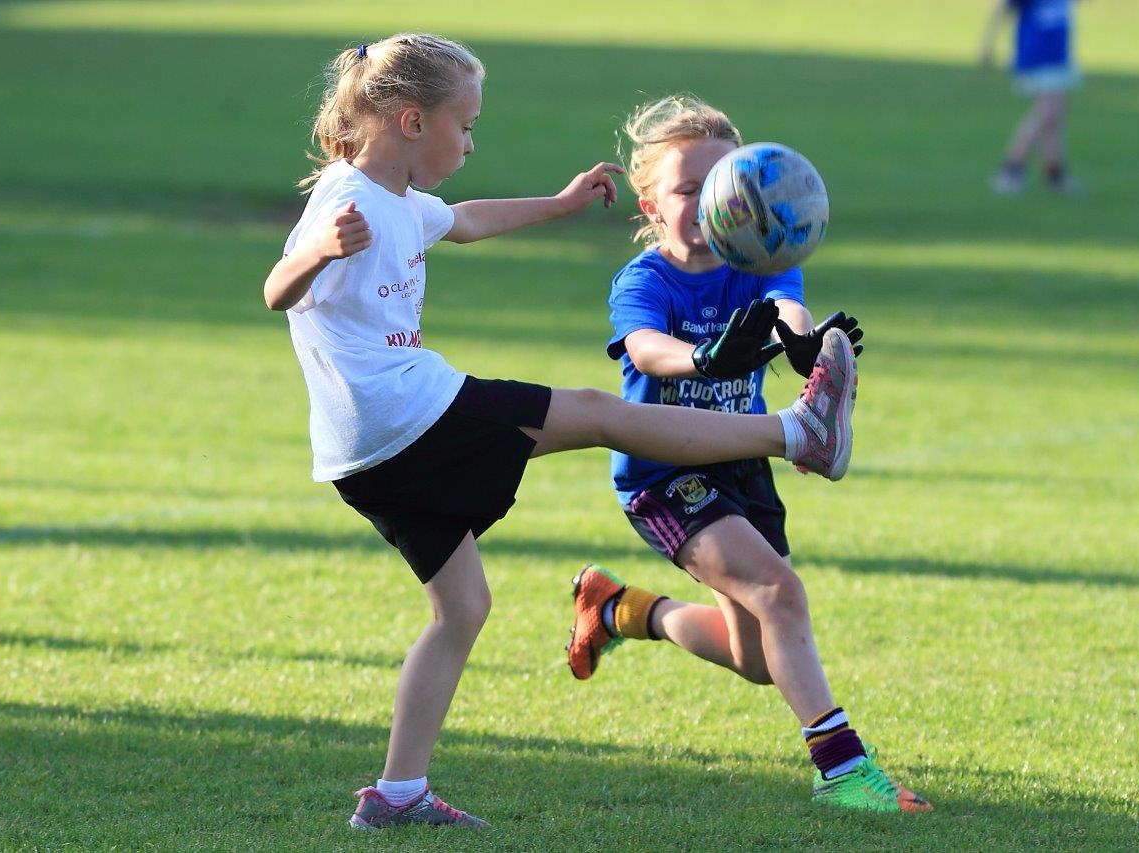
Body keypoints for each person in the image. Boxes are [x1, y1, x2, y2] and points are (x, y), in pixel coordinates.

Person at [264, 37, 857, 830]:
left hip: (363, 456)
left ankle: (396, 793)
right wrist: (318, 252)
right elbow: (277, 289)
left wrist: (561, 202)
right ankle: (796, 433)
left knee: (462, 608)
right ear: (411, 120)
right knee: (596, 410)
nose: (471, 142)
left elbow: (465, 222)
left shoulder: (398, 196)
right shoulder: (350, 200)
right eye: (464, 126)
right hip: (408, 412)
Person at [563, 94, 932, 814]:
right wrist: (703, 357)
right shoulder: (646, 279)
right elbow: (646, 348)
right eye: (687, 190)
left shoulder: (759, 258)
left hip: (740, 465)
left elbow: (790, 305)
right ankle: (843, 770)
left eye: (721, 189)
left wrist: (805, 345)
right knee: (780, 593)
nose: (706, 206)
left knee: (758, 658)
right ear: (648, 202)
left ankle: (618, 609)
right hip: (665, 476)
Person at [980, 0, 1082, 195]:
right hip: (1036, 57)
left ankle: (1055, 174)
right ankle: (1011, 169)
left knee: (1054, 119)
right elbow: (1004, 10)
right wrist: (988, 44)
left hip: (1059, 57)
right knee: (1045, 114)